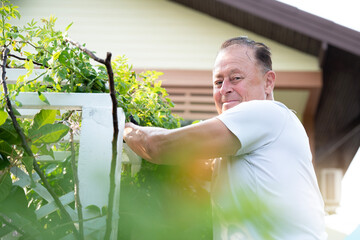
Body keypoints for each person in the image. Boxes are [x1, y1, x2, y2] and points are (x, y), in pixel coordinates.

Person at [123, 36, 327, 239]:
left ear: (268, 82)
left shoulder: (267, 113)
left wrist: (122, 127)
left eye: (236, 78)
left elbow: (161, 147)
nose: (224, 89)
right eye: (218, 81)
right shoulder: (240, 149)